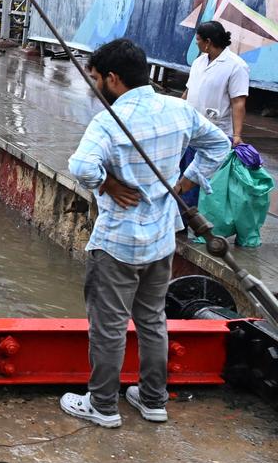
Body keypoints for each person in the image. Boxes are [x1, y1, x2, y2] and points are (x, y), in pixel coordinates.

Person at [63, 38, 230, 428]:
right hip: (161, 239)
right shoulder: (178, 109)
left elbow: (82, 167)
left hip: (118, 243)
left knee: (109, 326)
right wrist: (186, 183)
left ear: (114, 78)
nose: (95, 87)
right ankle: (154, 400)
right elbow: (219, 144)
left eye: (96, 79)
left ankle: (103, 406)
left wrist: (106, 185)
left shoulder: (109, 121)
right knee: (153, 319)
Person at [178, 21, 250, 208]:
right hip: (191, 129)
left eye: (198, 40)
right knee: (186, 175)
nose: (196, 43)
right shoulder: (198, 62)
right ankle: (183, 219)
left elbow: (238, 102)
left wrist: (237, 135)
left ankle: (197, 219)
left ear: (208, 42)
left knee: (204, 179)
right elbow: (188, 92)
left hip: (216, 132)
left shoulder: (236, 66)